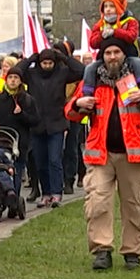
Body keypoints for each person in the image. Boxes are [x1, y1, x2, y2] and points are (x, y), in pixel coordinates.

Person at [67, 37, 140, 270]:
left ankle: (132, 252)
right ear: (102, 56)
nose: (112, 56)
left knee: (134, 205)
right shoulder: (92, 79)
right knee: (97, 203)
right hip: (100, 154)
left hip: (132, 155)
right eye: (108, 53)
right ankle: (102, 251)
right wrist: (78, 104)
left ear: (124, 55)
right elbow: (70, 112)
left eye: (116, 52)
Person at [16, 47, 84, 208]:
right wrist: (31, 59)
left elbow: (81, 71)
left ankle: (56, 193)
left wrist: (64, 58)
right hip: (37, 123)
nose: (47, 66)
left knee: (54, 159)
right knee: (40, 162)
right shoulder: (32, 75)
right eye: (44, 63)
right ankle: (45, 192)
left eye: (50, 63)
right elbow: (17, 70)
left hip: (56, 123)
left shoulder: (62, 73)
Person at [0, 66, 37, 205]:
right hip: (1, 141)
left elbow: (34, 120)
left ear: (20, 81)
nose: (13, 81)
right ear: (6, 80)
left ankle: (14, 199)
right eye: (10, 78)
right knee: (0, 169)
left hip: (19, 142)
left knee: (16, 171)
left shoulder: (27, 99)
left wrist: (21, 114)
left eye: (16, 78)